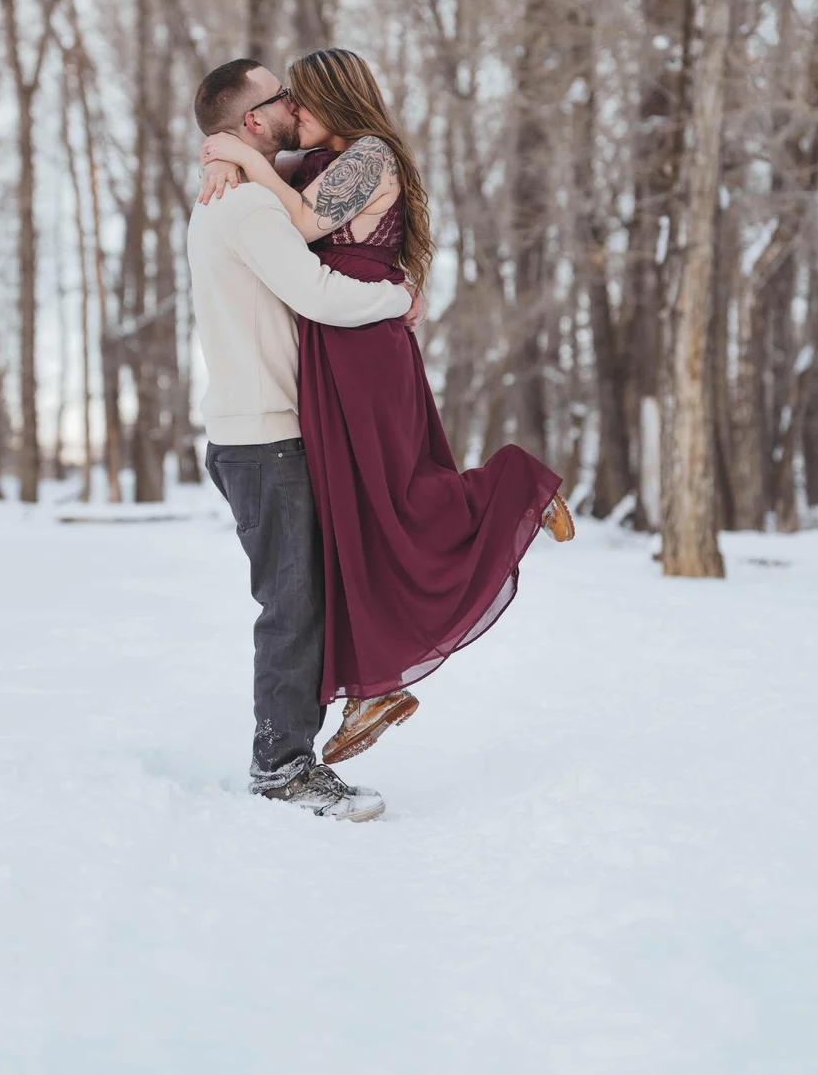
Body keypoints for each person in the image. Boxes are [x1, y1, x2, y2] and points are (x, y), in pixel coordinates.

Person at [199, 48, 574, 768]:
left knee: (391, 498)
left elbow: (304, 226)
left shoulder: (369, 155)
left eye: (301, 101)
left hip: (363, 339)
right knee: (353, 524)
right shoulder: (309, 164)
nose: (293, 113)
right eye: (284, 101)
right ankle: (370, 685)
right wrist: (225, 159)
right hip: (329, 349)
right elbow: (260, 177)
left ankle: (515, 485)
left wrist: (241, 162)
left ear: (334, 102)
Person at [187, 57, 423, 823]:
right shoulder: (250, 207)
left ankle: (312, 736)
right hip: (265, 437)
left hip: (257, 431)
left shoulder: (235, 194)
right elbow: (319, 295)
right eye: (279, 97)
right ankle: (282, 767)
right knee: (290, 604)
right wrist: (399, 293)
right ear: (254, 121)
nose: (295, 104)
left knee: (304, 594)